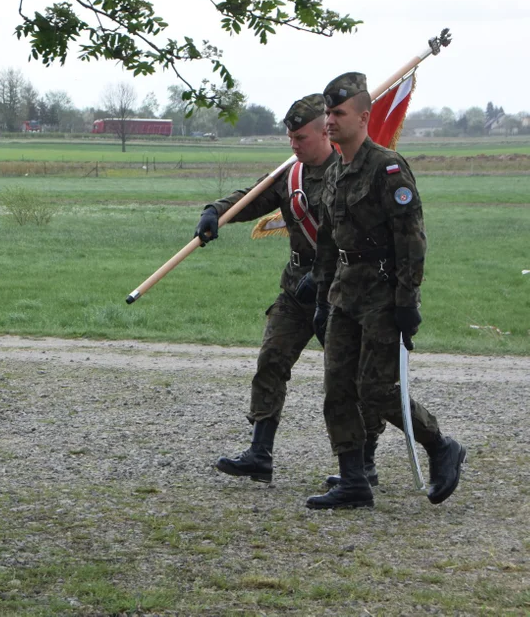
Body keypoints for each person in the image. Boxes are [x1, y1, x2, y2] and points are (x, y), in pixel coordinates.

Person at [198, 95, 383, 485]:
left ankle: (364, 461)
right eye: (290, 138)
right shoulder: (291, 175)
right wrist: (215, 211)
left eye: (300, 138)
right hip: (294, 292)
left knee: (353, 380)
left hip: (339, 294)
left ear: (325, 133)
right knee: (271, 362)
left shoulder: (349, 174)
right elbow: (252, 198)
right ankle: (259, 453)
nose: (293, 145)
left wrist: (322, 276)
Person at [306, 72, 465, 510]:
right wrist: (321, 297)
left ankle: (440, 445)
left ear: (363, 115)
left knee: (375, 389)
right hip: (343, 292)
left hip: (381, 293)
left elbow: (411, 240)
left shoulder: (387, 167)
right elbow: (326, 237)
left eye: (338, 113)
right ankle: (354, 480)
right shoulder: (335, 168)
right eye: (327, 114)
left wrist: (406, 302)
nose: (330, 122)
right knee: (338, 388)